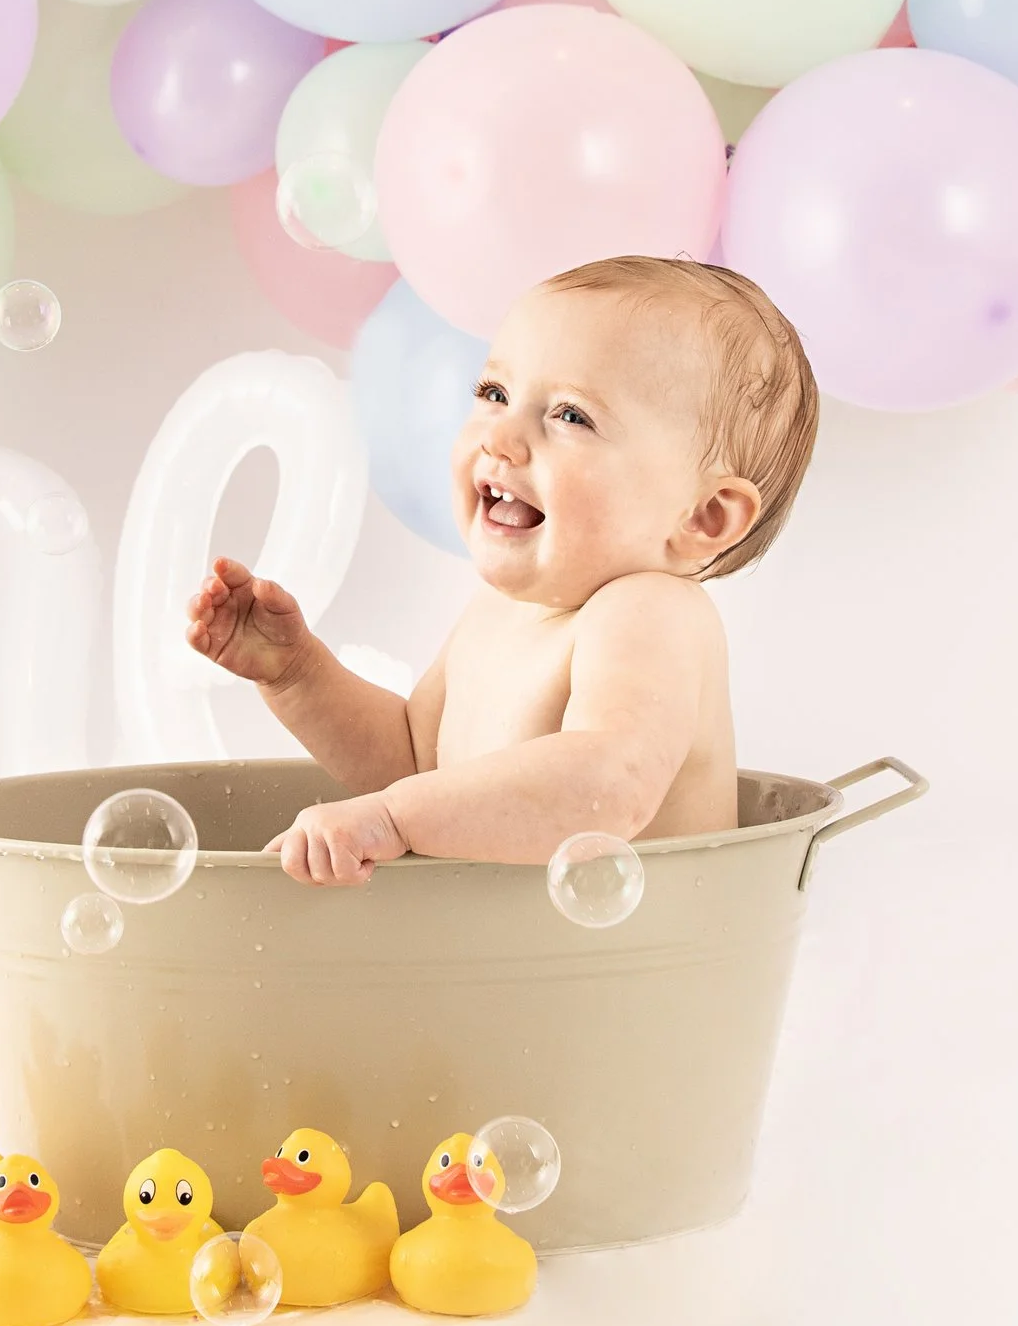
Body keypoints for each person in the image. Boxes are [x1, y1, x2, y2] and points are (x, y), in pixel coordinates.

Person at [189, 256, 818, 885]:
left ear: (703, 517)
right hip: (523, 972)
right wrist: (299, 674)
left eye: (570, 415)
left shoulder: (651, 611)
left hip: (639, 973)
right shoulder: (498, 612)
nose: (501, 437)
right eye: (495, 394)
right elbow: (415, 767)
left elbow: (606, 786)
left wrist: (393, 820)